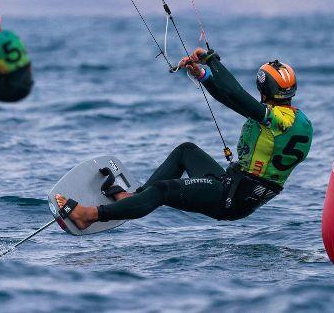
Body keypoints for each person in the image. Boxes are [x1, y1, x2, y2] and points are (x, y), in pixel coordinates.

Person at [55, 47, 313, 229]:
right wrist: (203, 75)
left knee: (164, 190)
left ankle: (89, 215)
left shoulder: (276, 120)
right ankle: (133, 199)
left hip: (232, 197)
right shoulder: (298, 120)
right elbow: (232, 99)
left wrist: (212, 59)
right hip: (234, 185)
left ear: (263, 87)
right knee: (185, 151)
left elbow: (236, 94)